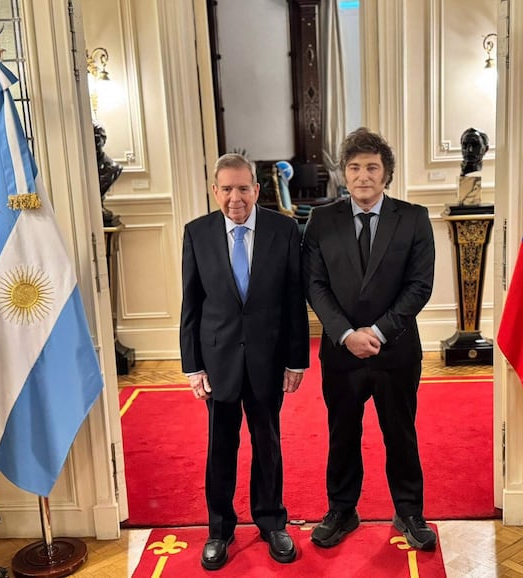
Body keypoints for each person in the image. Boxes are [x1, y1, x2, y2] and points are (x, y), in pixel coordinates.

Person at [302, 127, 436, 550]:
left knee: (401, 432)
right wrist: (345, 334)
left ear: (386, 174)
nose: (363, 175)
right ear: (344, 173)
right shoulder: (321, 220)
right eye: (355, 167)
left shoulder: (413, 218)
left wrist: (376, 332)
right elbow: (314, 284)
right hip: (341, 354)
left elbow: (419, 285)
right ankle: (342, 510)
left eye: (372, 167)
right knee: (342, 433)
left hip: (394, 351)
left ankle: (409, 510)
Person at [180, 153, 309, 570]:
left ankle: (272, 522)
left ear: (256, 189)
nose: (235, 198)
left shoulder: (284, 230)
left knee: (268, 444)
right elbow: (191, 305)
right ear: (214, 190)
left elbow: (294, 301)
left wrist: (296, 361)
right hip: (217, 361)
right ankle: (219, 530)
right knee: (221, 447)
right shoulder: (196, 233)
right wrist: (193, 366)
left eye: (243, 188)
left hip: (268, 360)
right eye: (226, 189)